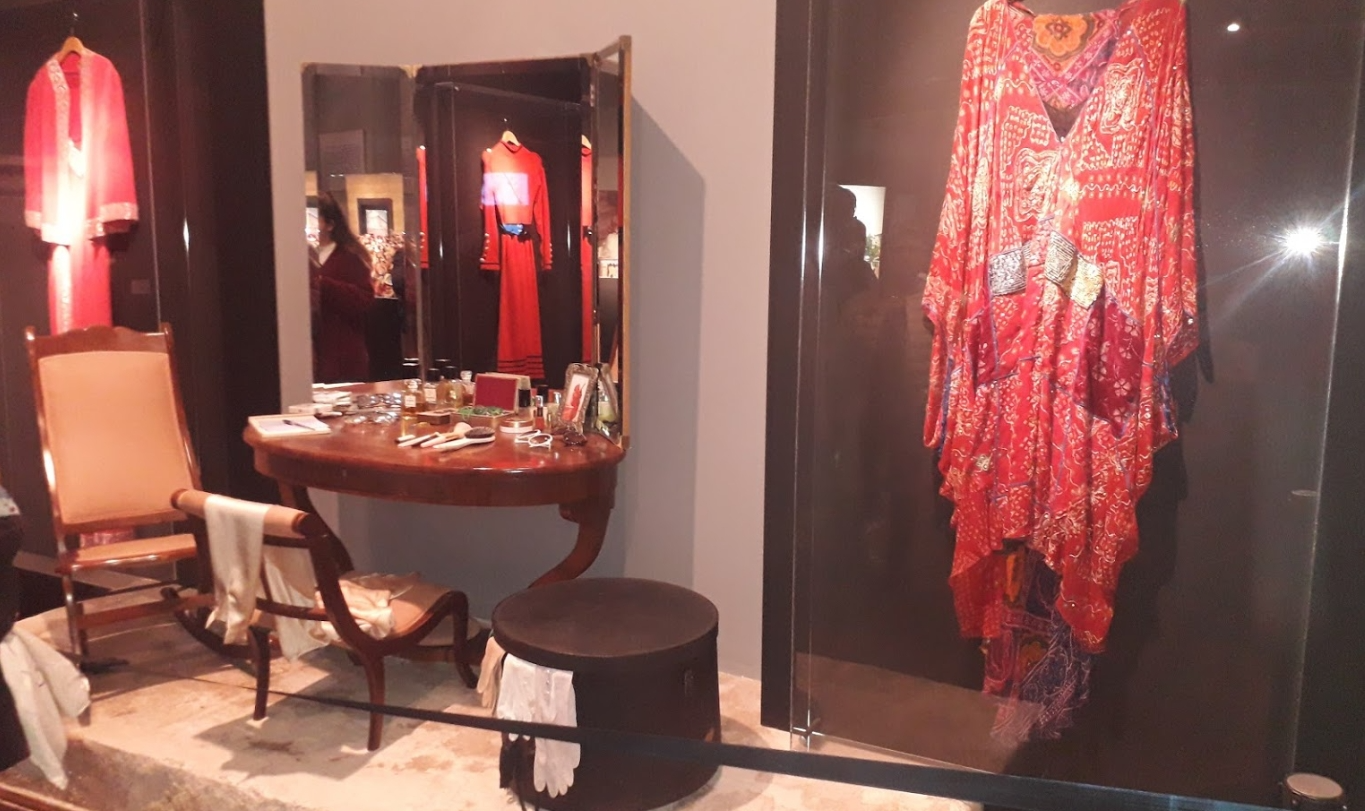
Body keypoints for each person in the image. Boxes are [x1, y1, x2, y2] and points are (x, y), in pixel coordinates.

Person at [310, 193, 374, 383]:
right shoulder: (309, 255)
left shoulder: (349, 256)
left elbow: (364, 300)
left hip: (342, 354)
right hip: (315, 353)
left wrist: (323, 284)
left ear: (330, 224)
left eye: (315, 218)